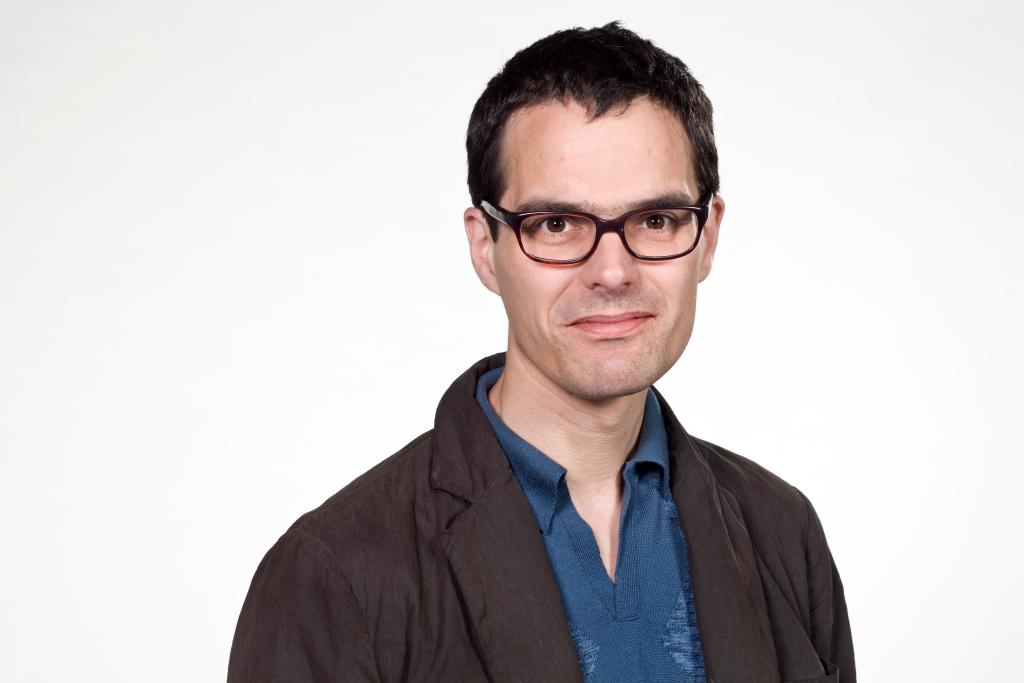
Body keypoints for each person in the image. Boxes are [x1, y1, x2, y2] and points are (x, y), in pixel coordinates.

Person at [227, 21, 855, 683]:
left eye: (656, 220)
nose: (612, 271)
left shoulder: (783, 529)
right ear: (485, 248)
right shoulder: (335, 574)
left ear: (707, 238)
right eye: (556, 224)